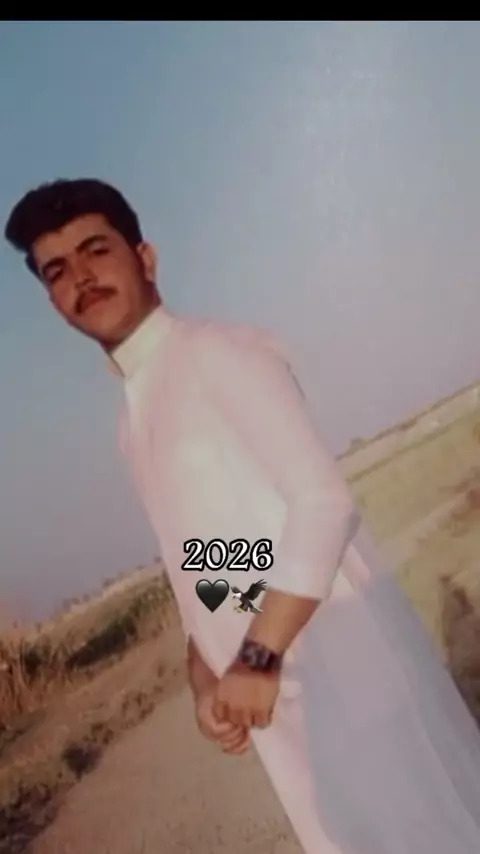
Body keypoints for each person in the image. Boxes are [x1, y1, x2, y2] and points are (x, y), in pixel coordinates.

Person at [5, 178, 480, 854]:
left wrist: (257, 657)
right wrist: (205, 676)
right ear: (53, 302)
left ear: (145, 258)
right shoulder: (133, 418)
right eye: (57, 271)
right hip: (288, 708)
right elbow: (198, 564)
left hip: (356, 677)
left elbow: (323, 502)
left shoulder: (215, 352)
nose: (80, 277)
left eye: (95, 250)